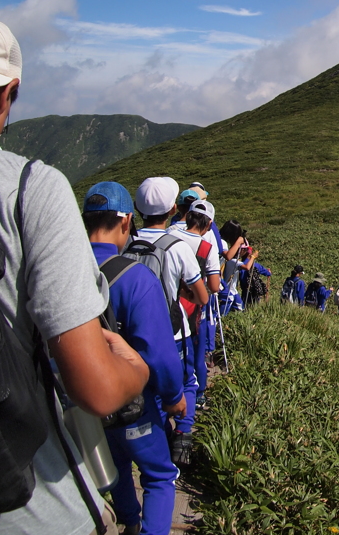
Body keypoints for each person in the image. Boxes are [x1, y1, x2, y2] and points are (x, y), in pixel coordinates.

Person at [0, 13, 148, 535]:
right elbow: (96, 389)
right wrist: (136, 369)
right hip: (27, 510)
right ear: (7, 96)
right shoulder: (27, 187)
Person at [83, 182, 186, 535]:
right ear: (126, 221)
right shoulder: (135, 277)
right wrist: (174, 399)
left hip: (80, 404)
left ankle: (128, 520)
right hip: (132, 404)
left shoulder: (60, 271)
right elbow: (159, 354)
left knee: (114, 468)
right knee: (159, 475)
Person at [132, 176, 209, 465]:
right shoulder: (176, 247)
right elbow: (202, 297)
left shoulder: (127, 243)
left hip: (133, 332)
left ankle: (157, 434)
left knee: (145, 385)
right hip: (174, 332)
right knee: (185, 381)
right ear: (174, 208)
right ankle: (183, 434)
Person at [167, 199, 221, 417]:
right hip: (191, 308)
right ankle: (196, 396)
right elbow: (214, 286)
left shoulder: (168, 236)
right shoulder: (206, 247)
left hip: (166, 302)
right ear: (208, 225)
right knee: (194, 353)